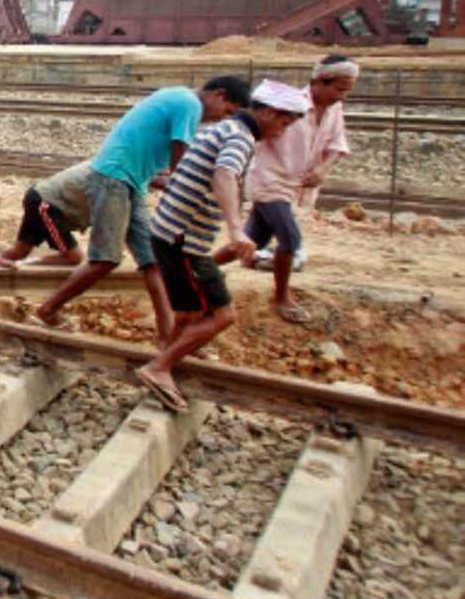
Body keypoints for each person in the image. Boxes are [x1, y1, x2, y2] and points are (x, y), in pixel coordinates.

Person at [32, 77, 251, 345]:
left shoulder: (181, 98)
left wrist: (164, 182)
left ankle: (167, 337)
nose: (220, 119)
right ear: (219, 94)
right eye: (226, 111)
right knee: (105, 259)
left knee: (153, 263)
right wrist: (186, 193)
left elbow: (159, 156)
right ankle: (48, 309)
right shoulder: (189, 104)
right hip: (114, 176)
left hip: (133, 181)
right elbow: (179, 155)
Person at [135, 80, 309, 412]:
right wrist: (235, 228)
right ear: (269, 112)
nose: (284, 131)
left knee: (189, 311)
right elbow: (224, 175)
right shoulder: (240, 138)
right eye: (284, 122)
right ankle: (159, 368)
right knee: (222, 314)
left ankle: (167, 359)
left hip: (171, 232)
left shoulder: (225, 128)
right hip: (183, 239)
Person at [227, 55, 357, 324]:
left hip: (296, 185)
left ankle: (196, 272)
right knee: (290, 239)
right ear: (319, 82)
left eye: (346, 90)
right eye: (339, 89)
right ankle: (281, 298)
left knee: (249, 242)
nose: (341, 96)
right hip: (269, 179)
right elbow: (259, 131)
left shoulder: (335, 110)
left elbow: (336, 143)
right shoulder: (289, 105)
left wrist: (323, 169)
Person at [2, 160, 95, 267]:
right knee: (75, 258)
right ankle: (19, 264)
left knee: (19, 252)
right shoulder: (109, 173)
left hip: (38, 195)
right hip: (46, 204)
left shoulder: (104, 164)